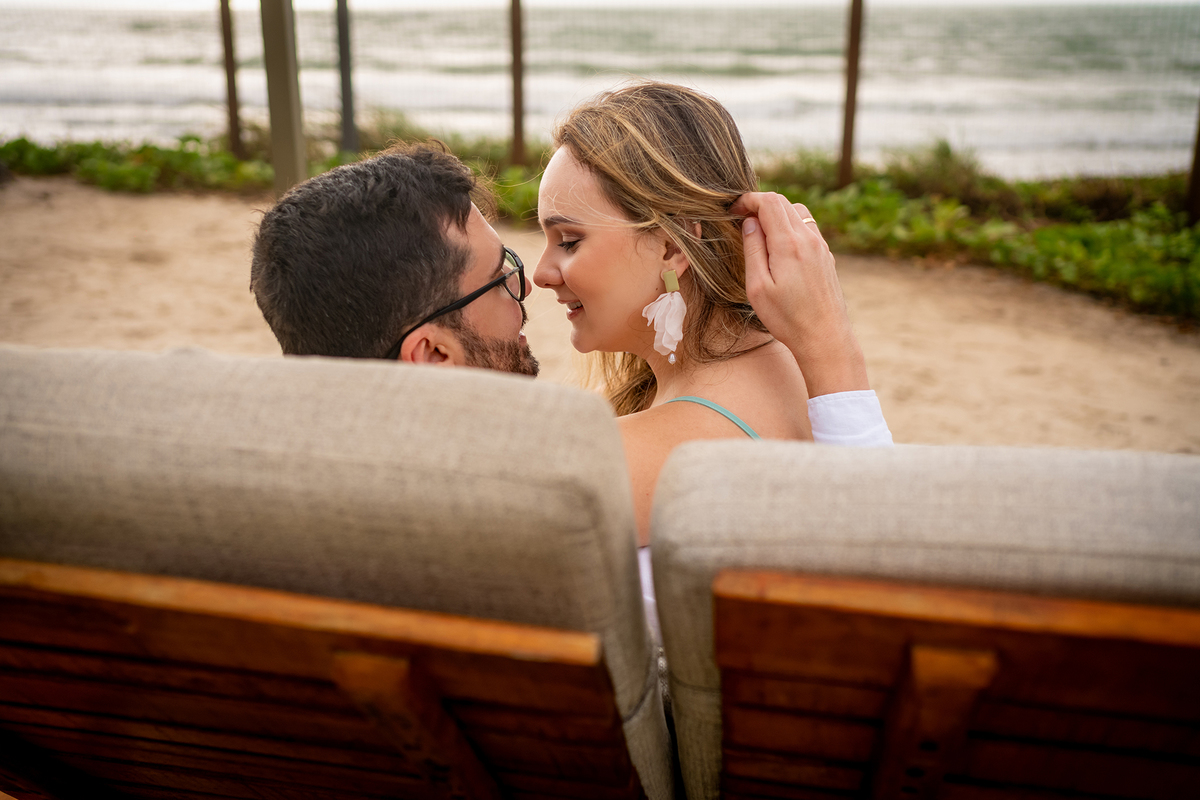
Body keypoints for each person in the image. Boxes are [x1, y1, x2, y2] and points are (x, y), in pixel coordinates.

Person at [533, 82, 890, 546]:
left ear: (670, 246)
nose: (541, 274)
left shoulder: (646, 455)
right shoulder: (788, 368)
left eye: (568, 242)